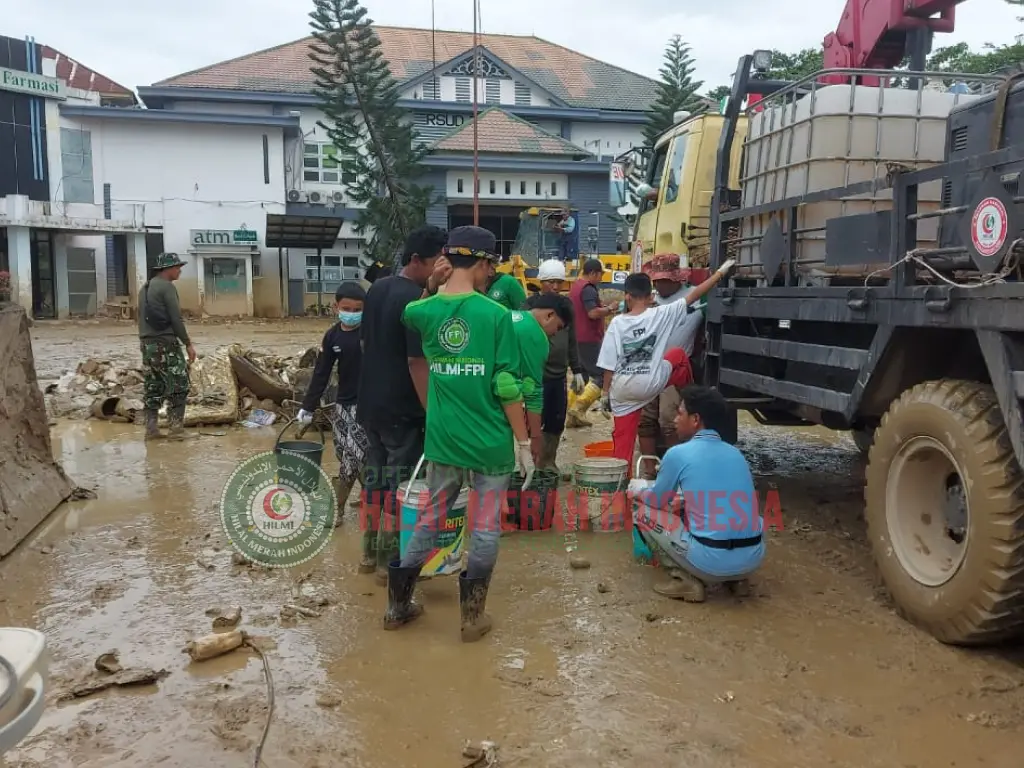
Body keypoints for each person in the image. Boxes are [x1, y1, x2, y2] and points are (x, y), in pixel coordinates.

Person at [387, 225, 533, 643]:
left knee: (430, 520)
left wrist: (433, 285)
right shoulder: (496, 315)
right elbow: (506, 386)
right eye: (491, 267)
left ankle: (397, 608)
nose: (491, 275)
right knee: (485, 527)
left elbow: (409, 312)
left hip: (444, 440)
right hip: (489, 443)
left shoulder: (426, 311)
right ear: (485, 263)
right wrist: (523, 443)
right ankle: (472, 618)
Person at [358, 226, 451, 581]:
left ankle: (369, 555)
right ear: (416, 261)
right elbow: (417, 362)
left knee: (375, 479)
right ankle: (389, 565)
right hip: (402, 408)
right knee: (401, 484)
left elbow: (368, 345)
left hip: (371, 405)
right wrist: (431, 408)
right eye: (434, 264)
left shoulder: (379, 288)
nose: (438, 271)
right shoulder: (415, 302)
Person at [597, 260, 735, 477]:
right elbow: (695, 294)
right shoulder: (661, 314)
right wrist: (719, 273)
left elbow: (608, 364)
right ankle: (689, 399)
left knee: (622, 450)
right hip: (652, 381)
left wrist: (605, 395)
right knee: (678, 355)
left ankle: (620, 493)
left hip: (623, 390)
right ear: (651, 296)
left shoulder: (616, 324)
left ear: (627, 297)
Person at [636, 386, 765, 602]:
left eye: (680, 413)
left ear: (695, 419)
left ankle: (684, 580)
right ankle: (737, 580)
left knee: (643, 512)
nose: (675, 419)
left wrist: (638, 490)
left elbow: (657, 501)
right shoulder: (736, 453)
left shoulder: (677, 453)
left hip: (711, 563)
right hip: (753, 559)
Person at [297, 282, 368, 525]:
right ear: (336, 306)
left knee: (352, 455)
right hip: (343, 404)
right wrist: (308, 406)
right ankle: (370, 494)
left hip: (368, 405)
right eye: (347, 308)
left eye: (358, 309)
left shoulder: (371, 332)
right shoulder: (333, 336)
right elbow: (322, 372)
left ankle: (335, 509)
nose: (352, 312)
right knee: (342, 451)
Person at [636, 254, 707, 475]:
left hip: (672, 372)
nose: (658, 284)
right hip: (646, 367)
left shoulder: (694, 299)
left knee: (670, 420)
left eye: (663, 280)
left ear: (677, 279)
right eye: (655, 280)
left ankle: (674, 471)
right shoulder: (649, 301)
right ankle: (649, 470)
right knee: (645, 421)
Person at [527, 260, 585, 471]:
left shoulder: (565, 306)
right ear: (542, 282)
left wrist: (577, 370)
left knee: (556, 421)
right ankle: (533, 463)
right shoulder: (531, 307)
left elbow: (572, 339)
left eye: (559, 282)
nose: (555, 286)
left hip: (559, 375)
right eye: (551, 282)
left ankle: (548, 462)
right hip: (537, 375)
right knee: (534, 421)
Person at [138, 252, 196, 441]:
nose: (180, 271)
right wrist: (187, 343)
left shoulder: (144, 289)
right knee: (179, 384)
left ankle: (151, 429)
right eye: (178, 267)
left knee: (153, 385)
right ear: (168, 269)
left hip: (147, 345)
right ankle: (176, 430)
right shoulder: (167, 288)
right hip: (166, 343)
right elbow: (175, 319)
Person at [512, 291, 572, 469]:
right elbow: (534, 392)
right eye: (558, 327)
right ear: (549, 315)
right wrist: (535, 439)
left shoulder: (509, 315)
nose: (555, 334)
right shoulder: (536, 336)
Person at [565, 258, 618, 428]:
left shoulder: (576, 286)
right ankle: (579, 408)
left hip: (575, 337)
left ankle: (570, 416)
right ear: (593, 273)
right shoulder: (588, 289)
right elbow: (593, 313)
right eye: (600, 274)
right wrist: (609, 309)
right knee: (601, 376)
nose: (601, 278)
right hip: (589, 338)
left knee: (582, 376)